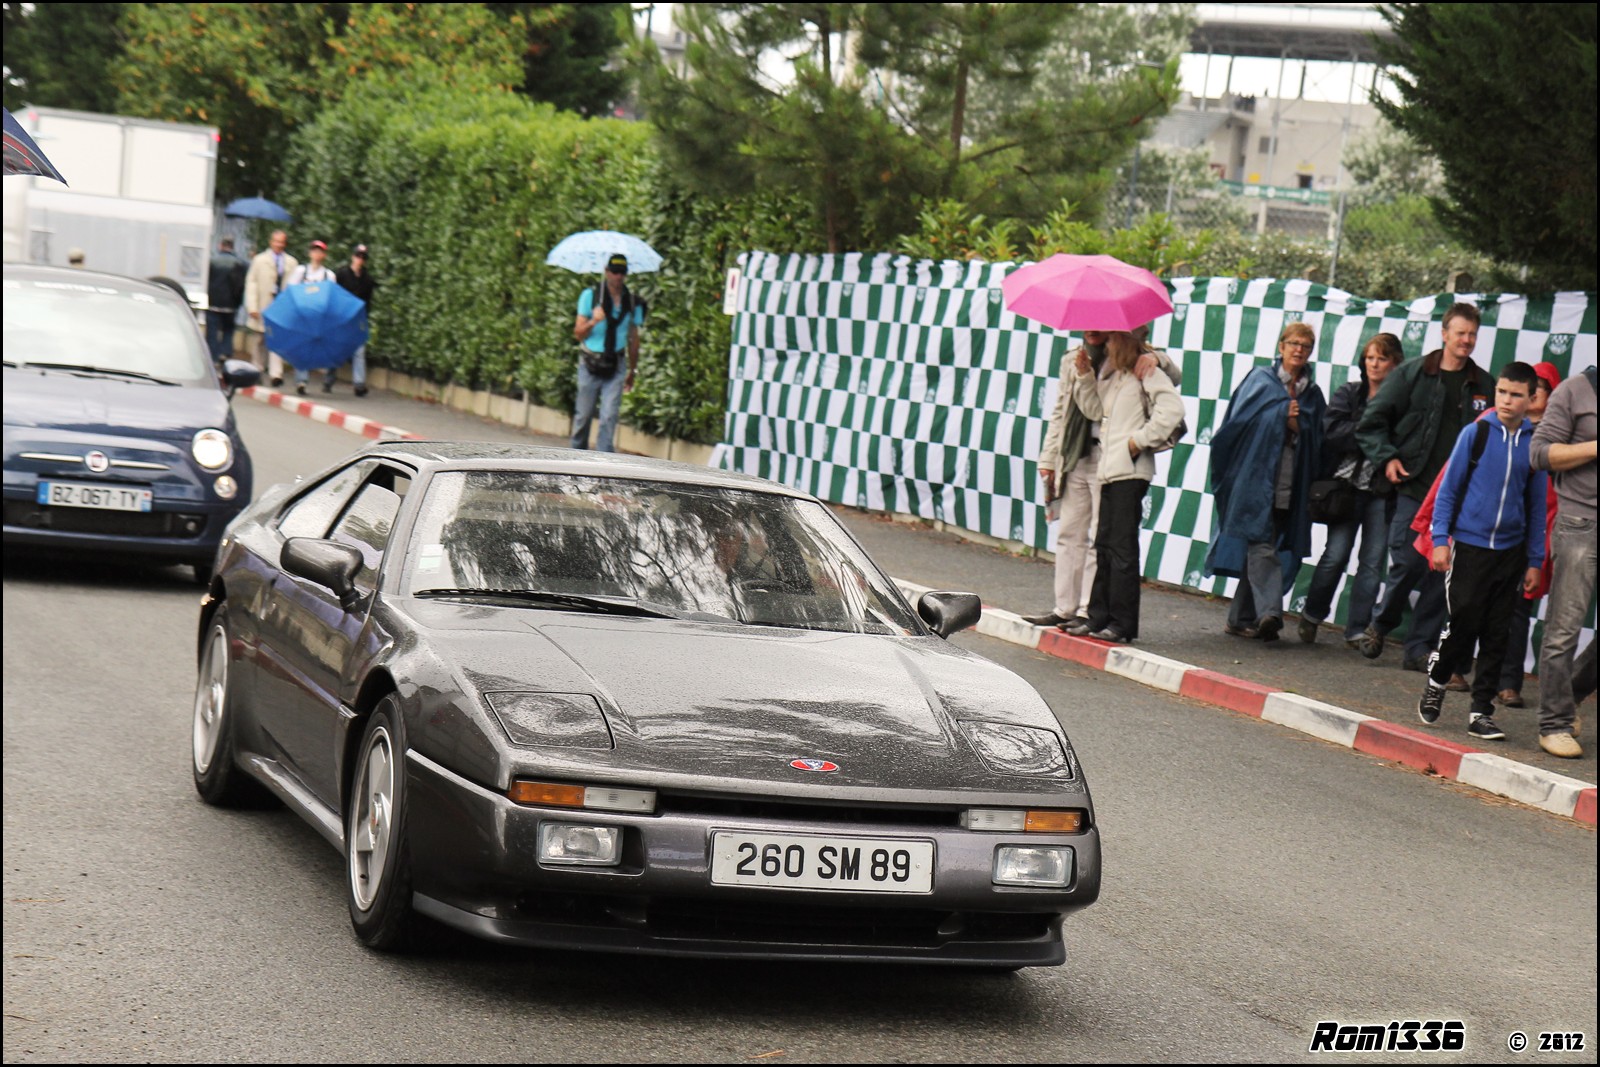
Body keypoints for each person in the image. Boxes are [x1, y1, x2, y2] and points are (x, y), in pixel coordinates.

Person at [1355, 302, 1491, 670]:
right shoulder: (1413, 374)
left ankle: (1419, 647)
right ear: (1444, 334)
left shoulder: (1485, 384)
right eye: (1460, 333)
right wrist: (1388, 457)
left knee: (1440, 572)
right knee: (1407, 563)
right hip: (1416, 490)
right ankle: (1381, 624)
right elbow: (1371, 422)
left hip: (1460, 499)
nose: (1467, 340)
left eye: (1472, 334)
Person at [1415, 363, 1547, 742]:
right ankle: (1438, 678)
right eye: (1502, 392)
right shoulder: (1476, 435)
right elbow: (1448, 491)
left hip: (1512, 552)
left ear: (1530, 399)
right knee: (1465, 619)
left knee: (1497, 631)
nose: (1507, 400)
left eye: (1517, 394)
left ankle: (1481, 711)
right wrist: (1441, 539)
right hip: (1470, 547)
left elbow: (1537, 507)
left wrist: (1535, 560)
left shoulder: (1534, 444)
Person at [1026, 330, 1181, 634]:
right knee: (1084, 536)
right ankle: (1077, 611)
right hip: (1083, 456)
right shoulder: (1078, 359)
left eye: (1108, 333)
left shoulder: (1139, 362)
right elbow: (1079, 410)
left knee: (1114, 543)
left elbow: (1173, 387)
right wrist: (1048, 457)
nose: (1098, 335)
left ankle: (1099, 614)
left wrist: (1138, 441)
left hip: (1119, 461)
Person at [1205, 322, 1327, 641]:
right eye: (1293, 343)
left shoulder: (1312, 394)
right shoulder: (1260, 381)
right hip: (1254, 479)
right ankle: (1271, 611)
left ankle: (1239, 617)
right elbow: (1237, 425)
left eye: (1306, 345)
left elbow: (1320, 439)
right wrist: (1278, 415)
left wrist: (1299, 425)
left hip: (1291, 483)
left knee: (1266, 543)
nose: (1299, 349)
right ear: (1281, 346)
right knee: (1261, 543)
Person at [1068, 330, 1185, 644]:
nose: (1107, 344)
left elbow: (1173, 410)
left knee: (1122, 550)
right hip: (1111, 471)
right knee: (1104, 546)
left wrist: (1138, 441)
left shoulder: (1147, 369)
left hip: (1130, 472)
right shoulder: (1116, 373)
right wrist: (1083, 376)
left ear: (1127, 341)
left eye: (1112, 340)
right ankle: (1098, 617)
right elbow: (1095, 412)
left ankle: (1121, 624)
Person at [1299, 333, 1402, 647]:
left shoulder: (1402, 402)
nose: (1374, 364)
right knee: (1335, 555)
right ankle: (1312, 615)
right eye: (1370, 357)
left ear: (1395, 363)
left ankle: (1357, 629)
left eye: (1381, 358)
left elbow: (1402, 443)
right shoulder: (1349, 393)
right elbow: (1331, 433)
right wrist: (1371, 431)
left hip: (1380, 492)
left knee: (1372, 562)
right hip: (1345, 488)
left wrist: (1372, 438)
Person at [1528, 363, 1598, 759]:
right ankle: (1553, 724)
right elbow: (1539, 454)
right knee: (1563, 629)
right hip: (1579, 521)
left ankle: (1566, 698)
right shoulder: (1573, 390)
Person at [1496, 362, 1561, 708]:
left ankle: (1509, 684)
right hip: (1492, 531)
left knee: (1519, 609)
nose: (1534, 393)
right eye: (1529, 386)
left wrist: (1541, 549)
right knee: (1477, 601)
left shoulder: (1558, 438)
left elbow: (1550, 501)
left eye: (1542, 387)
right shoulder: (1500, 427)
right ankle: (1457, 668)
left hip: (1531, 536)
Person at [571, 253, 644, 452]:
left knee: (609, 416)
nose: (618, 276)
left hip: (616, 364)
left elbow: (633, 338)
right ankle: (575, 461)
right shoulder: (591, 296)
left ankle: (604, 467)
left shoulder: (632, 302)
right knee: (583, 417)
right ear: (606, 272)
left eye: (622, 272)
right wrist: (594, 320)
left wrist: (633, 370)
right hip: (590, 362)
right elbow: (578, 333)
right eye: (614, 272)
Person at [244, 229, 298, 387]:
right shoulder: (260, 260)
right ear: (271, 242)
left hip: (280, 305)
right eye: (276, 241)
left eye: (282, 242)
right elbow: (251, 283)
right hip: (263, 304)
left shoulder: (291, 262)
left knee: (277, 339)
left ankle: (276, 374)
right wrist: (252, 306)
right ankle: (257, 369)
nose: (279, 245)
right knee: (259, 339)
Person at [284, 239, 337, 396]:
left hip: (320, 317)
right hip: (303, 314)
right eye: (314, 250)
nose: (316, 254)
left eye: (320, 251)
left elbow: (332, 296)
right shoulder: (301, 272)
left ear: (324, 255)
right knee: (303, 347)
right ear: (310, 253)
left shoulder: (329, 275)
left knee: (327, 348)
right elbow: (291, 290)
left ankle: (329, 379)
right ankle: (301, 380)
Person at [332, 244, 376, 397]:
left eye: (363, 257)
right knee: (337, 349)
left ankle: (359, 383)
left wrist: (365, 317)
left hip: (358, 318)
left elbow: (368, 301)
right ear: (353, 256)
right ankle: (329, 378)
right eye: (358, 256)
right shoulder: (342, 274)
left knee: (359, 351)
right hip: (342, 317)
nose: (360, 260)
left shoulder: (367, 279)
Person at [206, 238, 247, 363]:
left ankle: (213, 357)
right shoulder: (241, 263)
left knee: (212, 331)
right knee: (228, 330)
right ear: (232, 247)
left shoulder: (212, 261)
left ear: (221, 245)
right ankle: (225, 352)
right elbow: (242, 285)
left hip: (213, 302)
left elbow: (207, 281)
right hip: (231, 304)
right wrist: (239, 302)